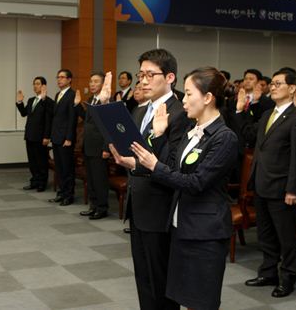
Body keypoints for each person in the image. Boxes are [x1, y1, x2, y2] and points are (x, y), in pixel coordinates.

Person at [113, 66, 239, 310]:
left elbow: (196, 182)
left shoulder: (224, 137)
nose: (184, 100)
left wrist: (154, 165)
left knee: (201, 302)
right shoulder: (193, 132)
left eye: (189, 94)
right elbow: (171, 167)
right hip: (181, 229)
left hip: (205, 234)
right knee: (181, 297)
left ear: (208, 98)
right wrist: (159, 136)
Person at [101, 49, 190, 310]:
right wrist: (105, 107)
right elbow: (126, 145)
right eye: (141, 75)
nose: (143, 81)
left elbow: (172, 163)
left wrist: (136, 165)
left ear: (170, 77)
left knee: (160, 280)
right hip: (138, 203)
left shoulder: (181, 113)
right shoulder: (141, 111)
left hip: (160, 206)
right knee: (143, 278)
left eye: (151, 75)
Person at [238, 68, 296, 298]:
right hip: (261, 183)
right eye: (273, 83)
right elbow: (248, 134)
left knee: (286, 237)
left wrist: (292, 190)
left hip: (281, 188)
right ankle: (268, 272)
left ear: (292, 88)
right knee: (265, 235)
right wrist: (241, 111)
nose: (274, 87)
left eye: (279, 83)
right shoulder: (268, 113)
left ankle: (287, 278)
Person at [75, 72, 110, 219]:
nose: (92, 84)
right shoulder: (91, 100)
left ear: (102, 85)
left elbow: (109, 127)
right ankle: (93, 205)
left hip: (99, 148)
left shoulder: (106, 101)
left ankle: (102, 208)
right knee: (91, 179)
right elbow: (86, 119)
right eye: (90, 82)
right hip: (88, 146)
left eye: (96, 82)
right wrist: (77, 105)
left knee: (99, 180)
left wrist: (106, 148)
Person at [16, 76, 53, 192]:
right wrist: (20, 102)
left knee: (41, 161)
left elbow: (48, 119)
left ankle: (42, 183)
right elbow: (24, 113)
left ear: (43, 86)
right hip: (30, 135)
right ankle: (34, 181)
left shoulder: (48, 101)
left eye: (37, 84)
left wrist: (47, 136)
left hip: (41, 136)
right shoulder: (31, 100)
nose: (35, 86)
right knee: (32, 161)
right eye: (34, 84)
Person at [48, 69, 77, 206]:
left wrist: (69, 138)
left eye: (62, 77)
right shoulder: (57, 94)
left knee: (67, 168)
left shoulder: (72, 95)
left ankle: (68, 195)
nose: (59, 80)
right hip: (56, 137)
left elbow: (72, 118)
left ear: (69, 79)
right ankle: (61, 192)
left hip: (65, 138)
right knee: (59, 168)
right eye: (58, 77)